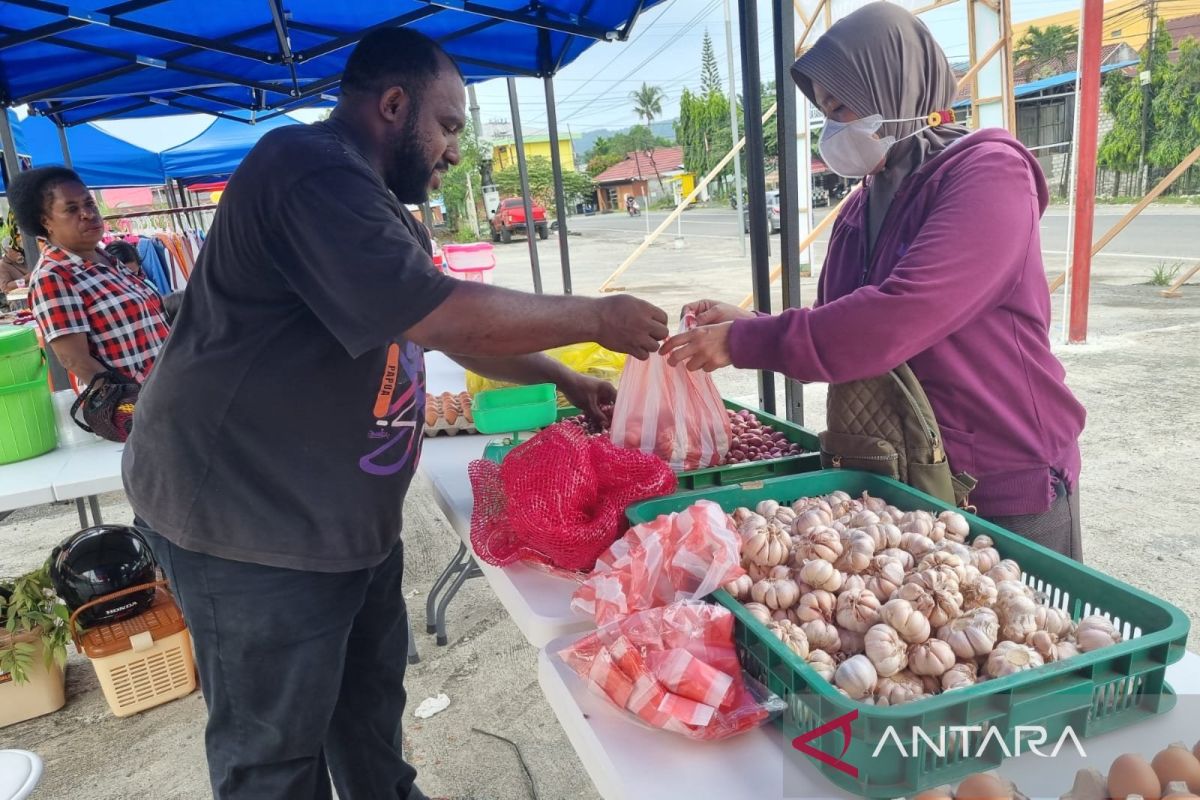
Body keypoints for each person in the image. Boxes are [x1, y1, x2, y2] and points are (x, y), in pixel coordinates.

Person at [122, 27, 668, 800]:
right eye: (447, 126)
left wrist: (568, 381)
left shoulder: (375, 206)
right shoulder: (307, 171)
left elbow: (449, 327)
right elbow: (445, 317)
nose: (453, 151)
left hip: (343, 523)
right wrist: (595, 317)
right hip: (251, 523)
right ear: (392, 105)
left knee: (368, 716)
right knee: (273, 758)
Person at [661, 2, 1085, 559]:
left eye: (845, 110)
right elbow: (843, 333)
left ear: (896, 87)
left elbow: (897, 316)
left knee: (1027, 638)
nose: (836, 130)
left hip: (1003, 476)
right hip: (904, 470)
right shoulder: (862, 205)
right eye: (828, 116)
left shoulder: (989, 173)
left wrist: (744, 343)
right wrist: (752, 324)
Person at [8, 166, 170, 385]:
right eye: (71, 209)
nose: (88, 214)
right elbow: (75, 360)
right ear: (45, 221)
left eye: (89, 203)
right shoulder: (54, 276)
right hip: (139, 407)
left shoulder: (109, 261)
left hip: (170, 390)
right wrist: (133, 404)